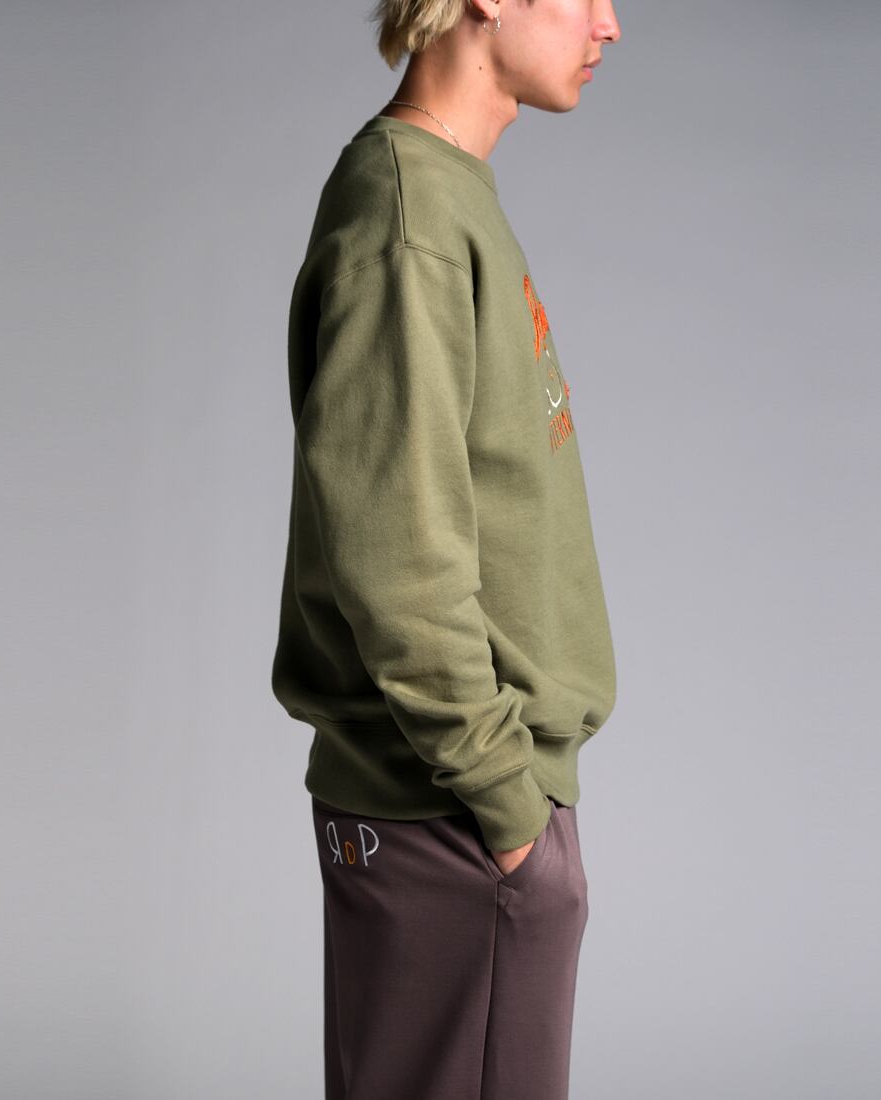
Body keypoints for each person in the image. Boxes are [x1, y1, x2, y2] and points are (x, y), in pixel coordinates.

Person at [271, 1, 621, 1096]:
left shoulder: (438, 196)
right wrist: (511, 814)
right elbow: (399, 566)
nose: (610, 25)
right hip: (452, 819)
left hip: (453, 814)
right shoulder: (409, 218)